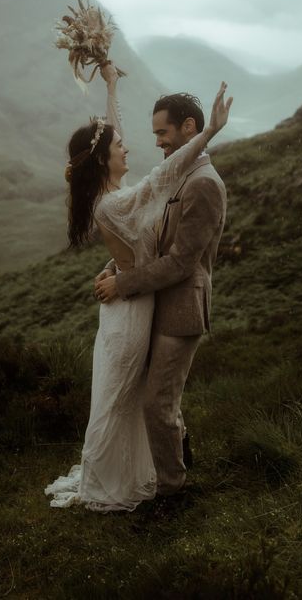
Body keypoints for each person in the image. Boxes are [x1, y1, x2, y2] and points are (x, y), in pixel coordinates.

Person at [45, 63, 232, 512]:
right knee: (127, 398)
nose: (131, 147)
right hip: (132, 309)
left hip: (146, 298)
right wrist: (209, 134)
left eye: (160, 134)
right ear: (104, 159)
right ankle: (133, 479)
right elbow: (157, 181)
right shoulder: (117, 201)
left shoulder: (114, 192)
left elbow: (116, 139)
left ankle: (158, 476)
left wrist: (111, 86)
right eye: (120, 147)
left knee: (143, 398)